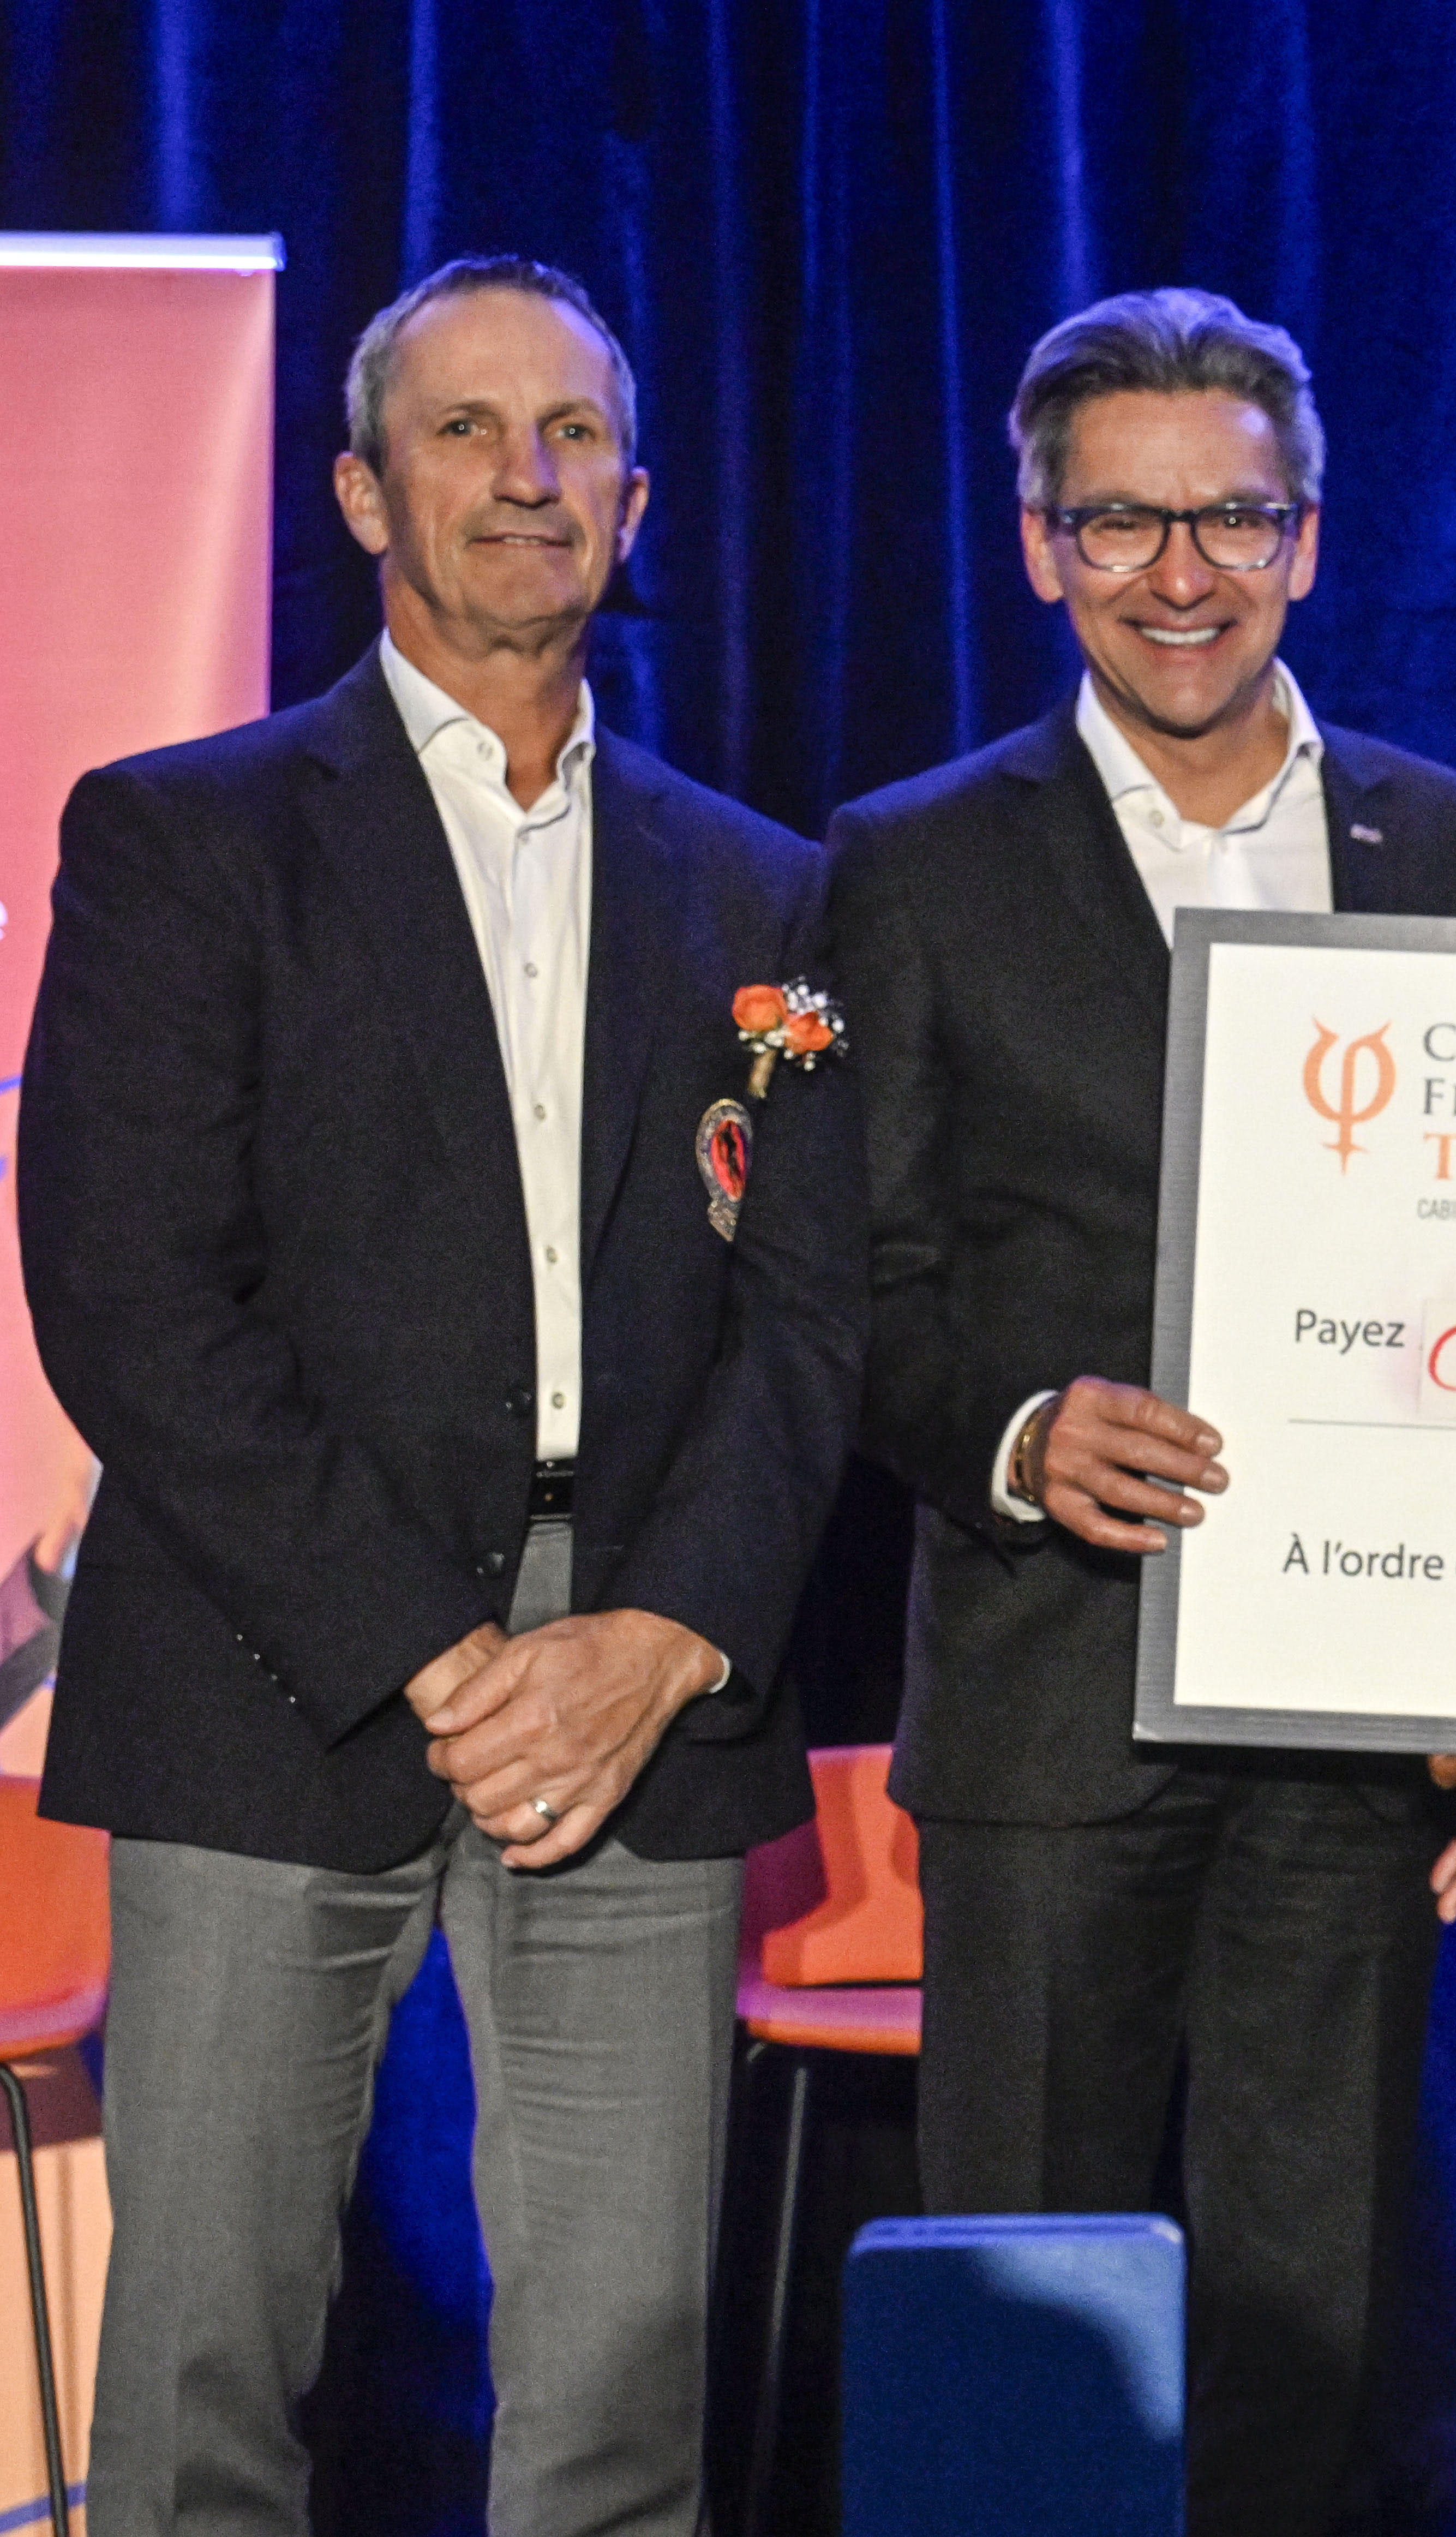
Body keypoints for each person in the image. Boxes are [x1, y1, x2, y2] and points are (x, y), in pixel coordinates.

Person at [24, 256, 864, 2536]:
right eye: (470, 430)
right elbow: (128, 1298)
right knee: (202, 2368)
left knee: (616, 2394)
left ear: (639, 493)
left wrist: (662, 1633)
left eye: (572, 433)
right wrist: (443, 1647)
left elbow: (811, 1315)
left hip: (638, 1685)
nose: (526, 475)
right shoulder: (184, 836)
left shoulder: (768, 892)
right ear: (361, 489)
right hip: (273, 1660)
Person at [824, 287, 1456, 2533]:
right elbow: (849, 1280)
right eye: (1118, 521)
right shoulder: (911, 861)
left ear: (1308, 539)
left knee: (1301, 2337)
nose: (1180, 571)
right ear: (1038, 546)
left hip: (1340, 1735)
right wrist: (1027, 1430)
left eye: (1229, 515)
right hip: (1051, 1717)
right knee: (1022, 2312)